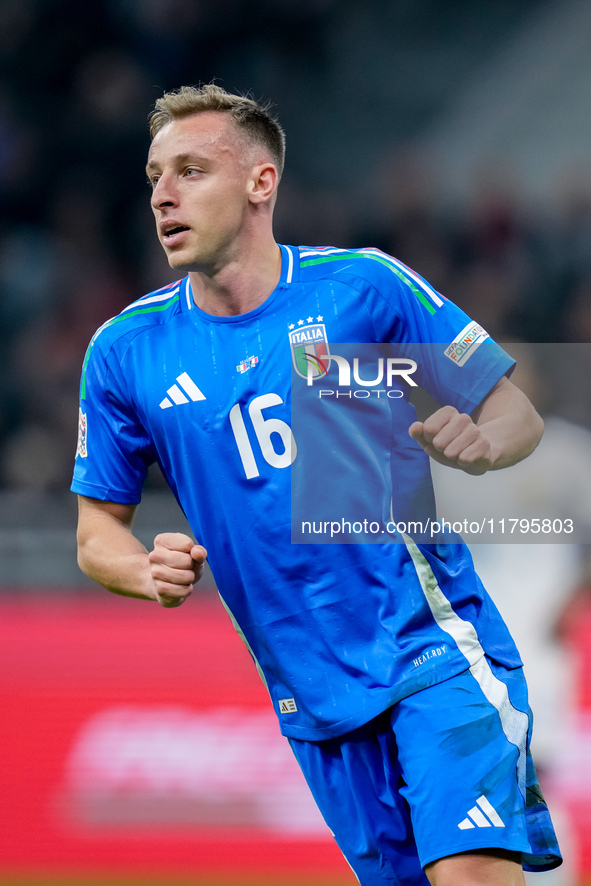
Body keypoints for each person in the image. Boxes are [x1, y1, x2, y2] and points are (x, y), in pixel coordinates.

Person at [72, 84, 562, 886]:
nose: (163, 193)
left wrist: (480, 443)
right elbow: (96, 535)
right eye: (156, 175)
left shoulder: (360, 290)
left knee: (469, 876)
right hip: (312, 694)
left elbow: (514, 413)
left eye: (191, 170)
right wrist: (140, 567)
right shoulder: (126, 351)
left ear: (260, 184)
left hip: (431, 649)